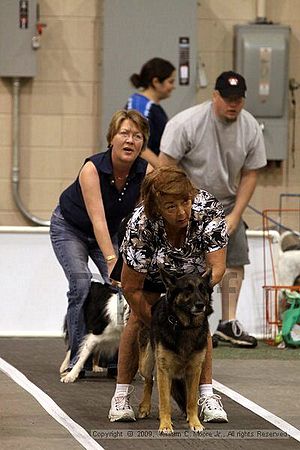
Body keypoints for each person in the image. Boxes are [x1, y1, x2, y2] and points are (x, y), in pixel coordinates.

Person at [108, 166, 229, 423]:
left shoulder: (208, 210)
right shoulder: (141, 223)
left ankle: (206, 395)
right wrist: (158, 325)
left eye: (185, 201)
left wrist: (197, 291)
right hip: (151, 268)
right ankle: (121, 396)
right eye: (171, 206)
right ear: (156, 207)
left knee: (198, 321)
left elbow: (217, 268)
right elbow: (131, 287)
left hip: (194, 272)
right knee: (137, 321)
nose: (182, 211)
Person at [159, 71, 267, 348]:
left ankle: (227, 323)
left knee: (235, 260)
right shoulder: (187, 123)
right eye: (228, 98)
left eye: (239, 99)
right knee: (184, 262)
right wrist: (182, 205)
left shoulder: (251, 127)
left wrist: (236, 215)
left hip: (228, 203)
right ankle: (178, 316)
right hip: (188, 201)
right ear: (215, 96)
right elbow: (166, 164)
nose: (233, 104)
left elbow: (251, 173)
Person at [50, 109, 149, 376]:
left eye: (137, 136)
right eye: (124, 133)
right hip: (71, 228)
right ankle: (75, 357)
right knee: (81, 283)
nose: (130, 141)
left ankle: (116, 360)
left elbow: (141, 219)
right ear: (111, 138)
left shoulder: (145, 172)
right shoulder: (92, 169)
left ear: (143, 143)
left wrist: (133, 261)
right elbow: (99, 221)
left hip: (110, 231)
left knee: (125, 285)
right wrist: (112, 260)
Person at [126, 57, 176, 168]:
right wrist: (164, 171)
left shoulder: (153, 107)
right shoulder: (140, 106)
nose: (173, 87)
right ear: (156, 82)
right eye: (170, 82)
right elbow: (137, 144)